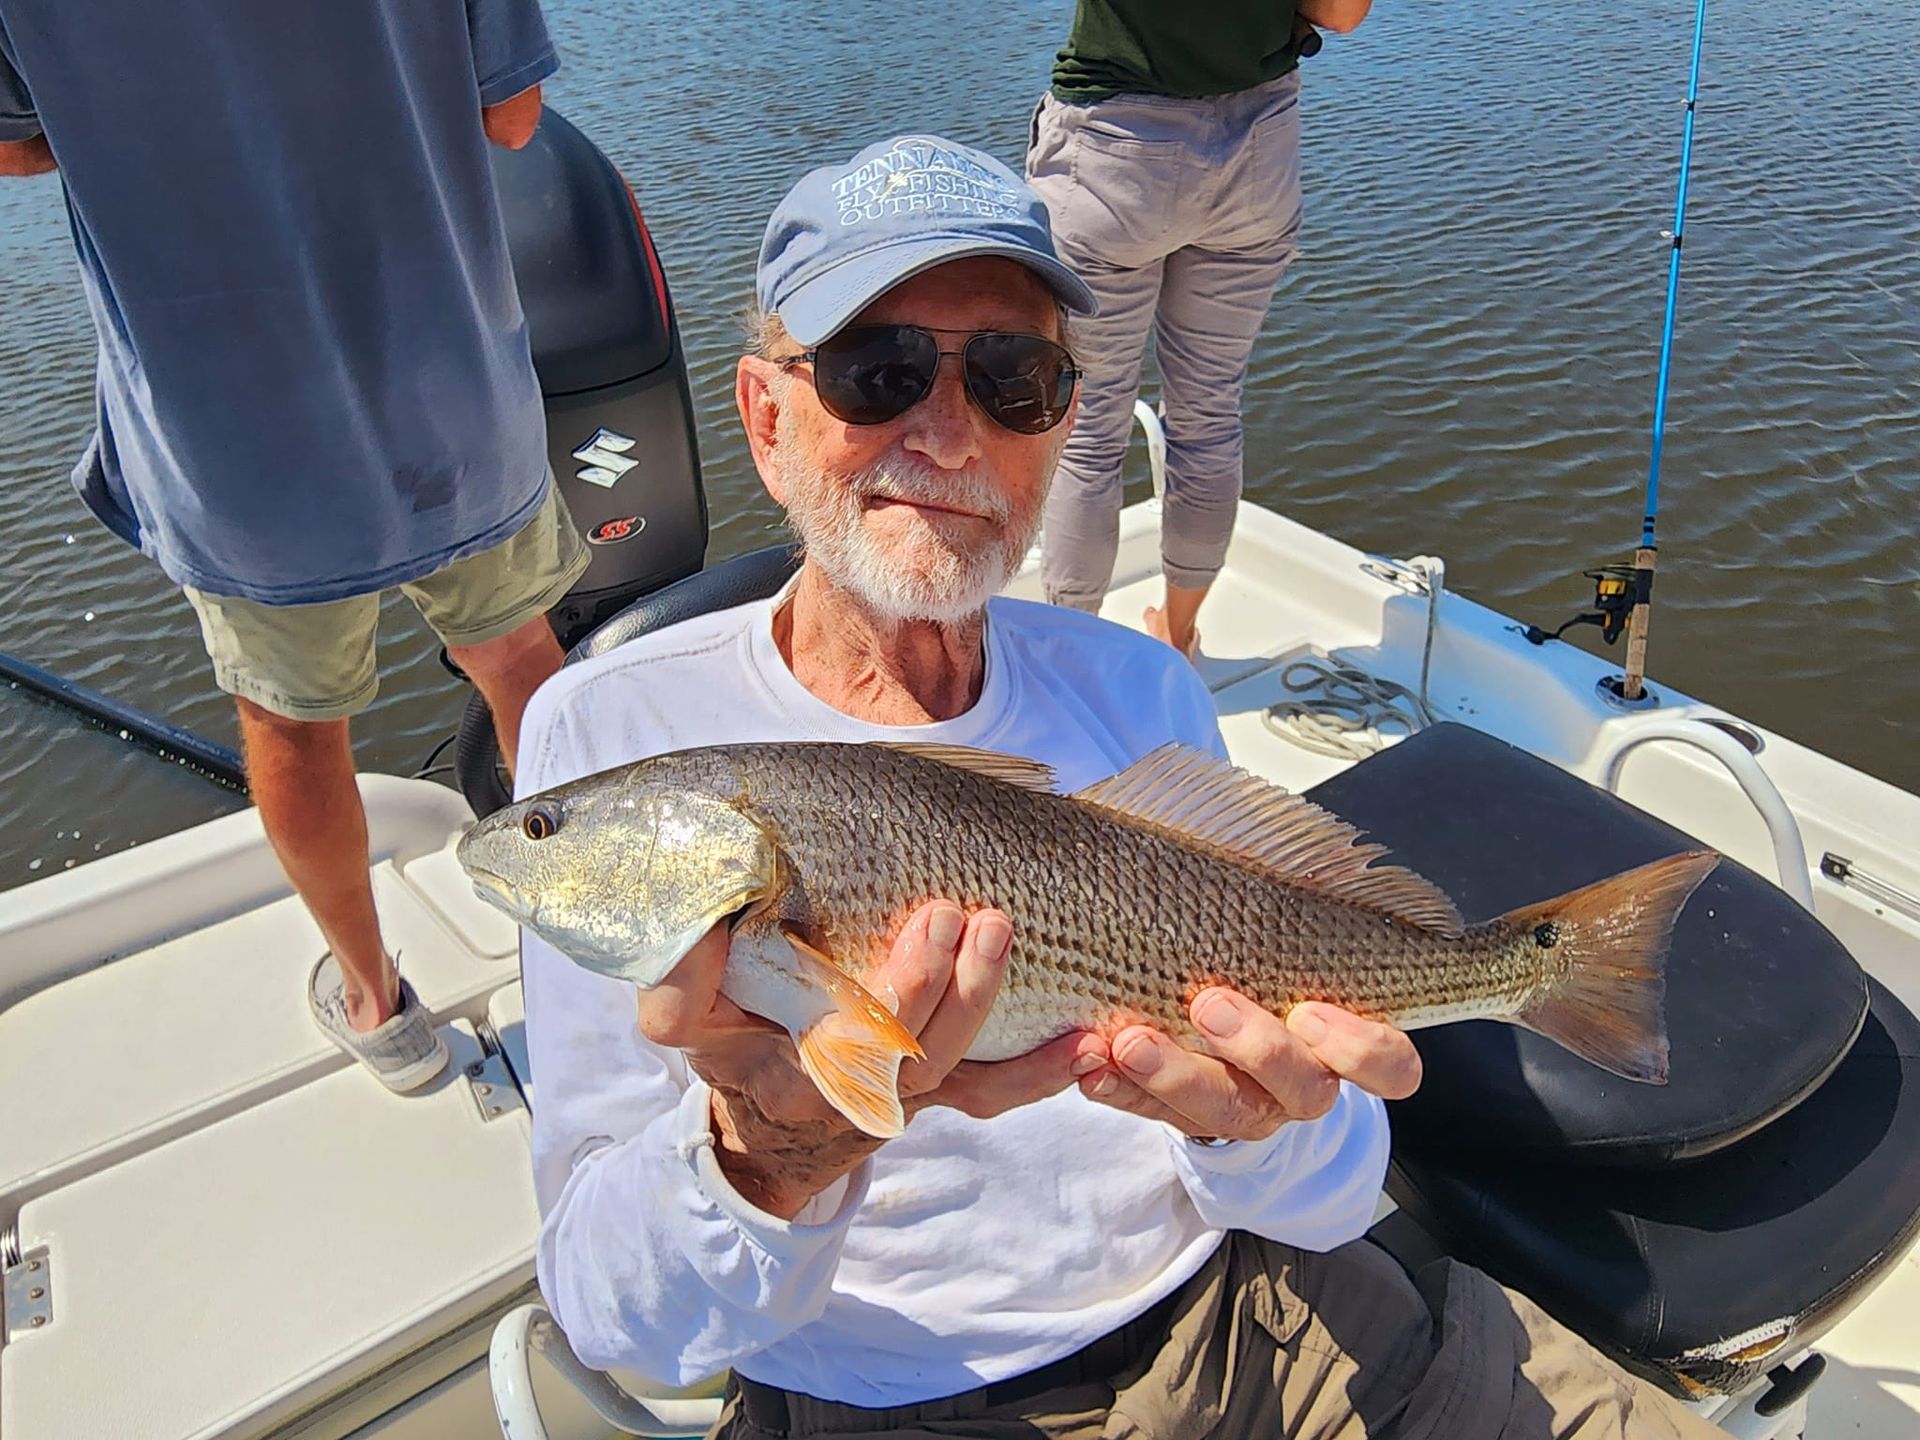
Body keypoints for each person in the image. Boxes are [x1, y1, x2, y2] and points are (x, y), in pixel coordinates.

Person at [515, 134, 1719, 1439]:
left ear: (1061, 426)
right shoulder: (617, 733)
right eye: (879, 370)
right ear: (764, 416)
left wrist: (1262, 1131)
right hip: (898, 1402)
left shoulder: (1135, 689)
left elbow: (1323, 1202)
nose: (946, 429)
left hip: (1268, 1319)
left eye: (1013, 378)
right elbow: (611, 1317)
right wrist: (770, 1155)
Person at [0, 2, 588, 1090]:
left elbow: (12, 141)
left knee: (295, 724)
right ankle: (596, 953)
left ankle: (380, 1012)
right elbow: (512, 116)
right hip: (450, 389)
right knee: (520, 663)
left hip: (232, 436)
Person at [1027, 0, 1373, 659]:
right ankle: (1179, 634)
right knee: (1208, 417)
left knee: (1088, 431)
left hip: (1114, 148)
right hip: (1257, 148)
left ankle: (1075, 656)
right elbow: (1342, 13)